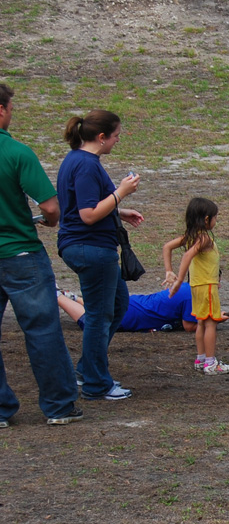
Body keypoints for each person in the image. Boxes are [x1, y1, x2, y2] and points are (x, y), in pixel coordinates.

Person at [0, 84, 81, 426]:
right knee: (42, 330)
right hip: (21, 254)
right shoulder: (17, 152)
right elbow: (50, 206)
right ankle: (59, 406)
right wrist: (49, 220)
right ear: (1, 110)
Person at [57, 109, 142, 401]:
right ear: (102, 137)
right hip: (90, 247)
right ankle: (96, 383)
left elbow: (84, 205)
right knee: (99, 315)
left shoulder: (77, 161)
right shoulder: (86, 165)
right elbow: (89, 214)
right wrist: (121, 193)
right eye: (116, 136)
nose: (117, 141)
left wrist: (118, 211)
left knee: (118, 305)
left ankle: (87, 369)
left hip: (85, 245)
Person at [164, 198, 229, 374]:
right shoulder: (204, 239)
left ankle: (201, 359)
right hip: (207, 286)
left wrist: (168, 270)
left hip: (196, 286)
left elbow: (167, 247)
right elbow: (187, 256)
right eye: (215, 218)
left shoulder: (191, 236)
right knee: (211, 324)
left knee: (201, 323)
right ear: (207, 219)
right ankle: (210, 363)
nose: (216, 221)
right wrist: (178, 281)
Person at [57, 284, 195, 332]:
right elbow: (189, 326)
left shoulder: (185, 288)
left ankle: (75, 298)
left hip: (133, 303)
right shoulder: (191, 296)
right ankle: (56, 295)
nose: (217, 287)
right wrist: (215, 318)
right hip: (130, 316)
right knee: (91, 323)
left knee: (99, 309)